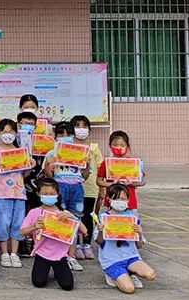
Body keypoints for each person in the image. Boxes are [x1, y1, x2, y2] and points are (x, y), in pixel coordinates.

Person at [20, 179, 86, 291]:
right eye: (45, 194)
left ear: (57, 194)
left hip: (60, 254)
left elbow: (84, 231)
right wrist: (34, 226)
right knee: (38, 282)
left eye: (52, 194)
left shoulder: (63, 214)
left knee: (67, 285)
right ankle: (48, 270)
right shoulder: (34, 212)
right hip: (41, 253)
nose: (49, 196)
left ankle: (58, 271)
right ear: (38, 194)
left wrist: (72, 217)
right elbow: (22, 232)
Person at [42, 120, 89, 272]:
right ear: (55, 137)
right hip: (60, 187)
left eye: (68, 134)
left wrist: (87, 165)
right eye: (61, 134)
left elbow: (85, 176)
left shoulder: (80, 152)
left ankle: (72, 256)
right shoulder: (51, 153)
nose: (65, 137)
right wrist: (49, 165)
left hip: (77, 188)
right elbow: (48, 176)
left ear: (73, 135)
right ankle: (61, 254)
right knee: (59, 221)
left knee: (74, 220)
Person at [96, 183, 157, 293]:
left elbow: (139, 245)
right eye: (116, 198)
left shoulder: (132, 218)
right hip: (112, 260)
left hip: (131, 256)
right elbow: (99, 242)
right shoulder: (104, 218)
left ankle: (129, 272)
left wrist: (139, 233)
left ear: (128, 200)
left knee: (150, 275)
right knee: (129, 289)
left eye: (123, 198)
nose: (120, 201)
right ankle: (113, 276)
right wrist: (101, 231)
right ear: (109, 199)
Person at [0, 118, 30, 269]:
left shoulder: (21, 152)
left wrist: (29, 165)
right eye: (4, 131)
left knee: (18, 222)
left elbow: (25, 174)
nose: (8, 134)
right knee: (2, 222)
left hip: (19, 192)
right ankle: (4, 253)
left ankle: (14, 253)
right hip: (1, 192)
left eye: (11, 131)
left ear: (16, 133)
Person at [72, 114, 102, 260]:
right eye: (77, 126)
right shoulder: (68, 147)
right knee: (74, 216)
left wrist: (102, 189)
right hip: (73, 186)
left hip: (90, 188)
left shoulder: (94, 148)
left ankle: (87, 245)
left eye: (85, 126)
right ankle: (76, 245)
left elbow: (101, 167)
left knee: (88, 216)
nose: (81, 129)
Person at [96, 130, 146, 213]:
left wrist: (131, 184)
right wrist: (112, 184)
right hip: (110, 202)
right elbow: (99, 181)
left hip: (130, 204)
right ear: (110, 145)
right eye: (115, 145)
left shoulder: (134, 163)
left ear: (127, 146)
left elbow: (143, 181)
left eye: (122, 145)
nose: (119, 147)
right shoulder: (106, 163)